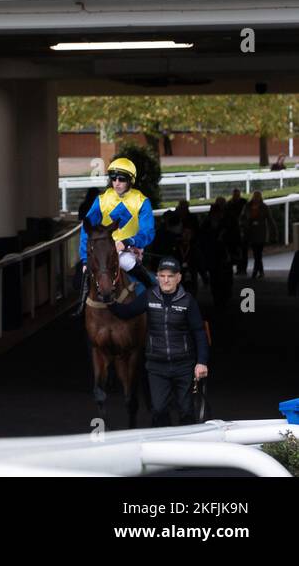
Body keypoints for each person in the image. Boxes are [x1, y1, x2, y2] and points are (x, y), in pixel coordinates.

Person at [108, 257, 209, 426]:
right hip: (156, 366)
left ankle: (188, 447)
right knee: (159, 409)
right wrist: (108, 300)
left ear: (178, 278)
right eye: (162, 276)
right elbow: (126, 312)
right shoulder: (149, 296)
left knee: (186, 410)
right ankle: (164, 447)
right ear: (157, 277)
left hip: (184, 365)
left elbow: (199, 333)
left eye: (170, 276)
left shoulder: (188, 301)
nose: (166, 280)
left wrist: (202, 362)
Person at [78, 158, 157, 306]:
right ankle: (81, 307)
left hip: (129, 250)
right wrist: (84, 258)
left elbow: (148, 232)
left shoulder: (141, 201)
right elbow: (86, 228)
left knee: (132, 267)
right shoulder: (102, 200)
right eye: (113, 179)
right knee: (82, 275)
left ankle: (155, 301)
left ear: (130, 180)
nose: (117, 183)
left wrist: (129, 242)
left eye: (122, 179)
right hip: (104, 249)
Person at [241, 191, 276, 280]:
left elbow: (270, 219)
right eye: (255, 196)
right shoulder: (247, 206)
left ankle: (255, 271)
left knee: (258, 253)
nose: (256, 198)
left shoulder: (264, 207)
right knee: (256, 253)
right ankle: (260, 271)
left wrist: (274, 231)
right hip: (251, 232)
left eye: (258, 196)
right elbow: (242, 217)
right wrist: (244, 225)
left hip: (261, 232)